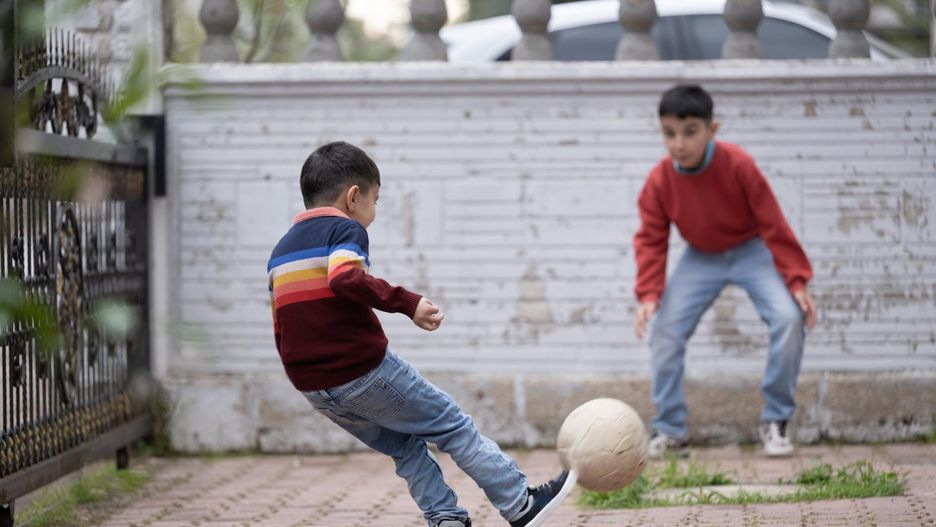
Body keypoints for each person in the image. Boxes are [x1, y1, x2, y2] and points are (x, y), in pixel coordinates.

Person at [267, 141, 574, 527]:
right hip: (359, 370)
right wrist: (407, 303)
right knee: (452, 425)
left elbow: (281, 322)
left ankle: (445, 518)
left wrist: (306, 376)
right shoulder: (344, 229)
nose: (373, 212)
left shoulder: (281, 250)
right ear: (353, 197)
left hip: (314, 385)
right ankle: (520, 504)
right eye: (375, 201)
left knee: (405, 446)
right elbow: (345, 278)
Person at [633, 85, 818, 459]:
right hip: (701, 257)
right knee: (665, 331)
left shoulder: (738, 164)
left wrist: (796, 281)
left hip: (752, 250)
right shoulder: (660, 180)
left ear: (711, 130)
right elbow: (651, 239)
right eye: (669, 133)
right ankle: (670, 430)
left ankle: (776, 419)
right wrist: (649, 295)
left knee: (787, 317)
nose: (679, 144)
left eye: (690, 132)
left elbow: (773, 223)